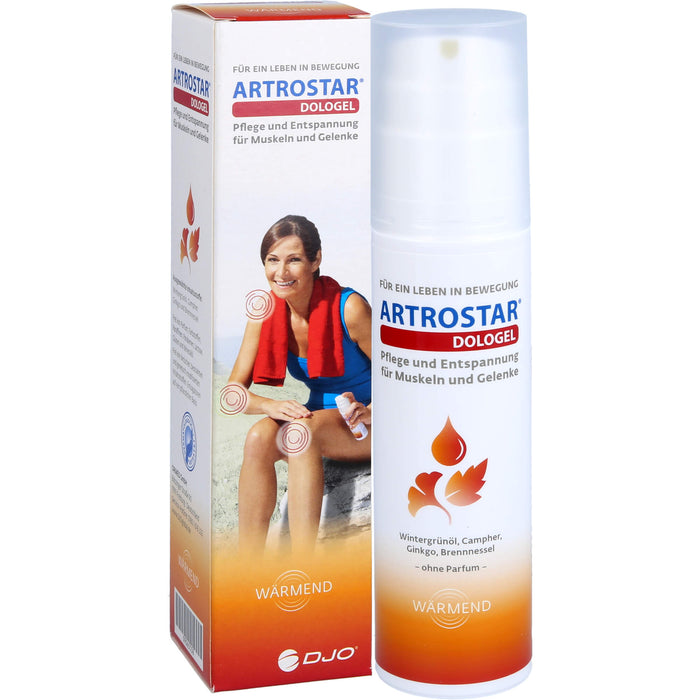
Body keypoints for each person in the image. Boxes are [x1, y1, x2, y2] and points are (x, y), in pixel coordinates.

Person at [228, 215, 371, 556]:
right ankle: (247, 564)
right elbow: (232, 394)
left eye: (293, 260)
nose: (281, 272)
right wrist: (269, 405)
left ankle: (304, 568)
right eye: (272, 260)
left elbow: (406, 376)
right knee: (259, 437)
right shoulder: (264, 313)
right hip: (323, 415)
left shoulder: (350, 308)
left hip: (372, 421)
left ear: (315, 260)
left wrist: (371, 411)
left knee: (300, 433)